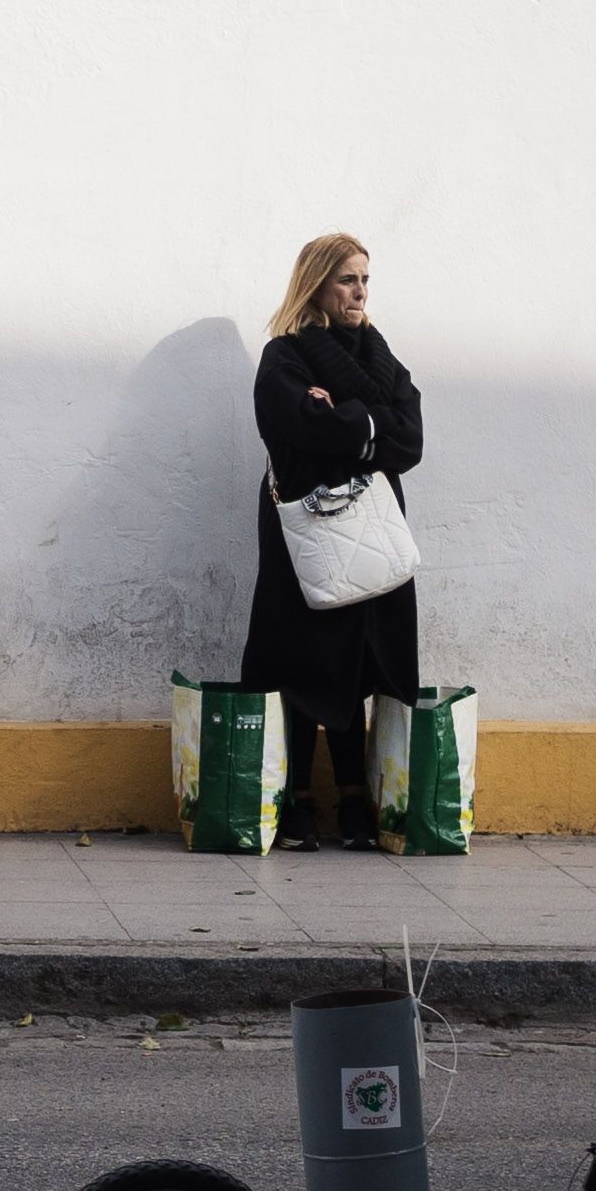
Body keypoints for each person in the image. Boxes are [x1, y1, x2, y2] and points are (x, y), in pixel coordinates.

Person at [237, 236, 424, 850]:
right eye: (347, 279)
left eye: (366, 279)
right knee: (301, 660)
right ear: (316, 283)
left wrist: (346, 417)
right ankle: (295, 802)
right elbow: (296, 424)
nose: (361, 292)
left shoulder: (377, 354)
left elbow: (410, 437)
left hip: (369, 533)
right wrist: (369, 425)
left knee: (360, 660)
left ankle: (353, 803)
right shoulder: (283, 357)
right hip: (309, 531)